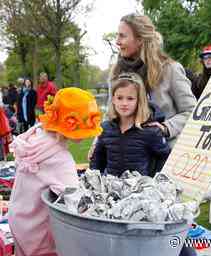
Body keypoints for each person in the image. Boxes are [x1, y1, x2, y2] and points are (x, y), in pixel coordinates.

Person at [8, 87, 102, 256]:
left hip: (18, 218)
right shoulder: (61, 160)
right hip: (37, 230)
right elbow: (76, 201)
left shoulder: (35, 135)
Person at [110, 13, 196, 149]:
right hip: (126, 156)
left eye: (122, 36)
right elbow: (111, 115)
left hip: (165, 157)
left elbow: (193, 112)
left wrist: (166, 128)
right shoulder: (117, 73)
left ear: (140, 40)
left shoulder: (170, 70)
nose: (117, 41)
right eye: (117, 35)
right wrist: (98, 141)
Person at [90, 72, 171, 177]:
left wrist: (153, 181)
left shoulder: (151, 131)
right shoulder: (105, 129)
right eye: (119, 98)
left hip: (139, 191)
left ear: (139, 101)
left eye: (130, 98)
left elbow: (165, 159)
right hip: (110, 189)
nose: (124, 103)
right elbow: (97, 161)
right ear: (113, 99)